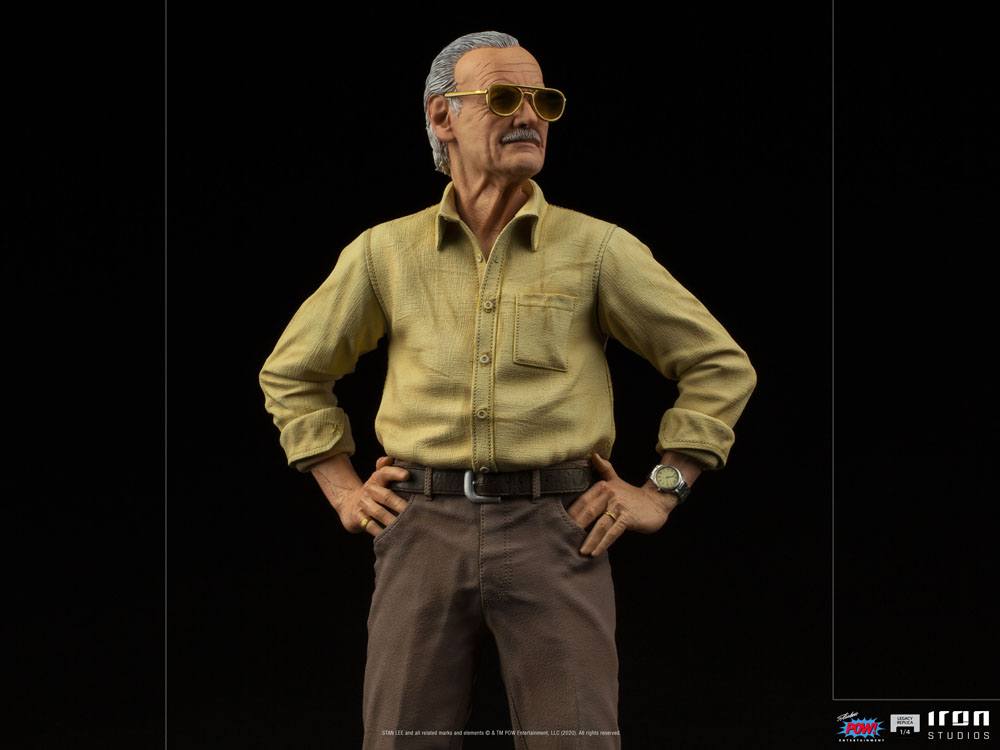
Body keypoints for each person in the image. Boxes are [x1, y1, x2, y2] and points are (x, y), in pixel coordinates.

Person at [258, 30, 756, 749]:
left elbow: (718, 364)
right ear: (442, 116)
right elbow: (294, 372)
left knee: (575, 739)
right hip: (419, 527)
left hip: (559, 530)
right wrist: (342, 489)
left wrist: (663, 487)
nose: (528, 115)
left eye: (542, 101)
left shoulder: (596, 249)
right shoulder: (385, 253)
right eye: (501, 97)